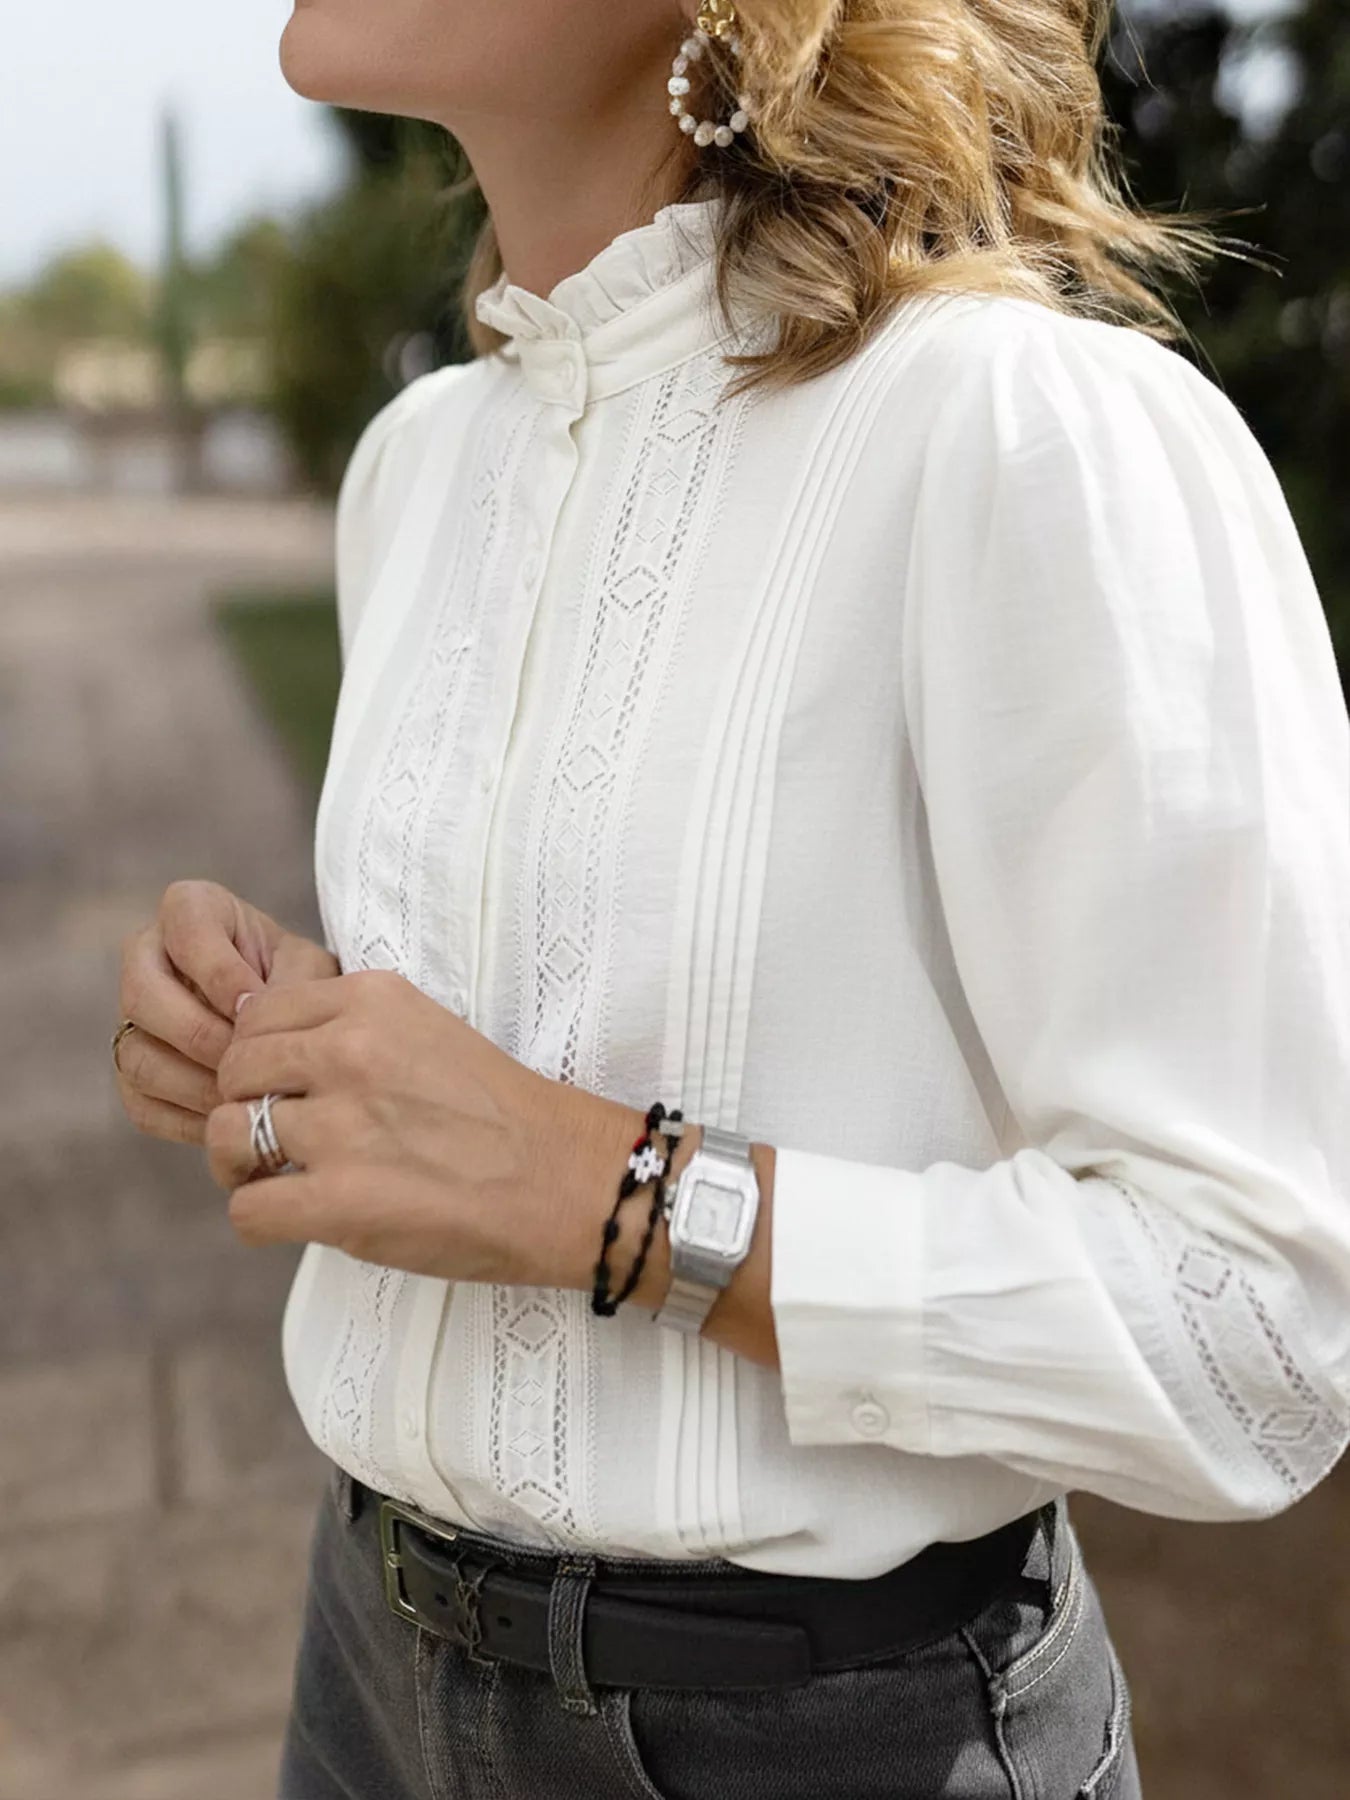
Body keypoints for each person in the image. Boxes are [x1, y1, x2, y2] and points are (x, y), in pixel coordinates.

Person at [111, 2, 1350, 1796]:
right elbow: (546, 1063)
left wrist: (605, 1195)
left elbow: (1257, 1328)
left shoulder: (1029, 433)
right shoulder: (422, 465)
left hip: (830, 1737)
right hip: (364, 1673)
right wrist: (294, 1044)